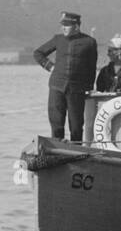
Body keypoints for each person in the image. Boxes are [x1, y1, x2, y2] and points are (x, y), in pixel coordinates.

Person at [33, 11, 98, 142]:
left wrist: (89, 88)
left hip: (77, 90)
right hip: (56, 86)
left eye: (67, 25)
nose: (63, 27)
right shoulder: (58, 39)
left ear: (76, 26)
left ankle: (76, 152)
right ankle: (57, 150)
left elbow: (91, 68)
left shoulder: (89, 42)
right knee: (56, 124)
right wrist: (50, 67)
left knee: (76, 126)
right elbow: (38, 53)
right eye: (62, 24)